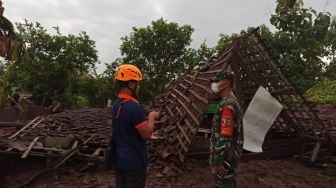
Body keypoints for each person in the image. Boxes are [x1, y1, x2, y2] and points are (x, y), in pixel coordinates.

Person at [112, 64, 160, 188]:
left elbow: (127, 130)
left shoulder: (116, 105)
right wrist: (152, 116)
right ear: (131, 84)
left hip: (120, 160)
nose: (139, 87)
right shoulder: (134, 107)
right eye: (138, 84)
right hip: (134, 162)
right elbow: (147, 134)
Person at [209, 71, 244, 188]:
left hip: (225, 159)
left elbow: (225, 135)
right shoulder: (232, 101)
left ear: (224, 84)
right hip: (229, 156)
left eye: (216, 82)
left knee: (223, 184)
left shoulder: (228, 105)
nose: (213, 85)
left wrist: (218, 160)